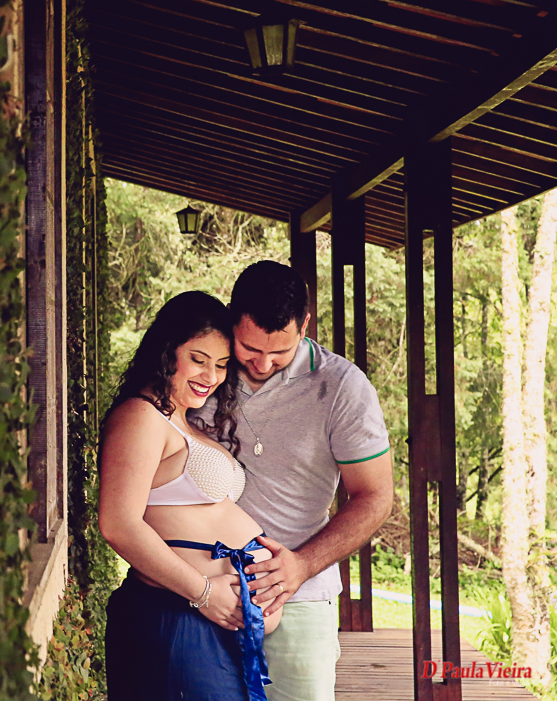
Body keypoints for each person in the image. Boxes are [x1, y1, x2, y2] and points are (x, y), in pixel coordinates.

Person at [188, 261, 394, 701]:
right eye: (249, 348)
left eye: (280, 351)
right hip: (197, 594)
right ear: (232, 321)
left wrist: (301, 565)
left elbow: (375, 497)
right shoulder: (201, 372)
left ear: (305, 325)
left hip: (297, 600)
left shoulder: (343, 387)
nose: (263, 363)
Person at [99, 291, 281, 701]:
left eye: (222, 364)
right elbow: (118, 524)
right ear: (167, 352)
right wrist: (205, 593)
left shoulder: (181, 420)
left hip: (208, 622)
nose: (211, 375)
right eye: (198, 359)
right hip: (177, 614)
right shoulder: (141, 416)